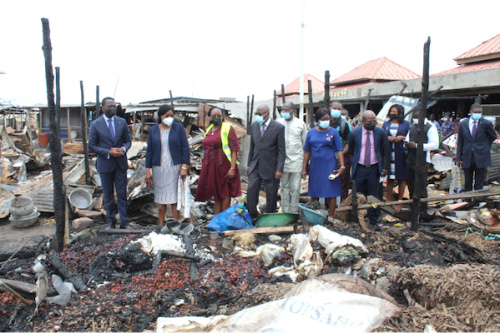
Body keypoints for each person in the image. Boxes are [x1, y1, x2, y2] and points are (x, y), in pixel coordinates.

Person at [89, 97, 132, 229]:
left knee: (121, 194)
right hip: (105, 164)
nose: (112, 108)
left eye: (114, 106)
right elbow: (92, 145)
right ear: (103, 108)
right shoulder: (95, 124)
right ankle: (111, 222)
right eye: (109, 106)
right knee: (108, 195)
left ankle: (124, 222)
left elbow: (128, 141)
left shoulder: (122, 122)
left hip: (120, 164)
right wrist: (108, 152)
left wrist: (123, 149)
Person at [145, 105, 190, 225]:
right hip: (158, 168)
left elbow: (185, 148)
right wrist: (147, 170)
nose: (170, 118)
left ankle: (175, 224)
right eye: (167, 115)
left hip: (174, 167)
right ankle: (161, 224)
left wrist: (184, 167)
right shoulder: (153, 130)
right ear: (161, 116)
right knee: (160, 200)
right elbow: (149, 151)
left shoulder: (178, 128)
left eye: (172, 115)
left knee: (174, 199)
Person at [195, 107, 241, 215]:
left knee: (225, 192)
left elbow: (234, 149)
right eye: (214, 116)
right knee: (216, 192)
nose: (217, 118)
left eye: (219, 116)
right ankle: (217, 217)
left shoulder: (227, 128)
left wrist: (232, 168)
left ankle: (223, 219)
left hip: (224, 165)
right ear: (210, 117)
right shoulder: (209, 128)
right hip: (210, 166)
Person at [348, 110, 389, 230]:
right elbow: (351, 149)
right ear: (363, 121)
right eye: (369, 122)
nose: (372, 124)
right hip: (360, 168)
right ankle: (358, 219)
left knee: (374, 195)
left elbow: (385, 151)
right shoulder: (355, 133)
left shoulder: (380, 133)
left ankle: (373, 220)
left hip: (374, 168)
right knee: (359, 195)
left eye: (373, 121)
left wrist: (385, 167)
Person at [302, 108, 345, 221]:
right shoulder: (311, 133)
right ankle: (314, 215)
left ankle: (331, 216)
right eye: (323, 119)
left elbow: (339, 149)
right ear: (317, 120)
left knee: (331, 190)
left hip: (330, 164)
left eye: (327, 119)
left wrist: (342, 166)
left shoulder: (333, 132)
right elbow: (307, 151)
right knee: (314, 189)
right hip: (315, 165)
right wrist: (304, 168)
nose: (326, 121)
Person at [247, 105, 286, 220]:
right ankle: (253, 216)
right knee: (251, 190)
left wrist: (279, 169)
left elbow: (281, 150)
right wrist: (249, 164)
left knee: (271, 194)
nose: (258, 116)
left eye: (260, 114)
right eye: (257, 114)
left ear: (267, 114)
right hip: (255, 164)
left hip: (271, 166)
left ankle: (269, 217)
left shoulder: (278, 127)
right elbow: (252, 147)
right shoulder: (254, 125)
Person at [404, 108, 439, 212]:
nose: (414, 120)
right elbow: (407, 138)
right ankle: (413, 207)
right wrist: (407, 144)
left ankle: (423, 209)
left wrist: (418, 146)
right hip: (410, 159)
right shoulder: (413, 126)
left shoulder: (430, 127)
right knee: (411, 185)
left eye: (416, 118)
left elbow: (434, 144)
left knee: (421, 186)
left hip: (422, 161)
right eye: (413, 118)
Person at [456, 103, 496, 193]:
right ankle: (467, 201)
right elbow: (460, 142)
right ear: (471, 112)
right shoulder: (463, 124)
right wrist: (459, 157)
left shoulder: (486, 123)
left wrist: (485, 145)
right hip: (467, 156)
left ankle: (478, 201)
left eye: (479, 112)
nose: (477, 114)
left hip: (481, 156)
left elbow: (493, 136)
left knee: (479, 182)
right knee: (467, 182)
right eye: (475, 112)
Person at [277, 102, 307, 214]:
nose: (284, 112)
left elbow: (305, 144)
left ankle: (294, 212)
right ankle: (285, 211)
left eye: (286, 110)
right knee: (284, 188)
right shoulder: (278, 123)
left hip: (297, 161)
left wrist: (304, 165)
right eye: (282, 110)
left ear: (292, 111)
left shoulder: (300, 124)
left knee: (295, 188)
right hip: (282, 162)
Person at [382, 104, 410, 212]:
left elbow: (410, 136)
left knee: (402, 177)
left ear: (400, 113)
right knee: (390, 177)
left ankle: (400, 201)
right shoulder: (386, 124)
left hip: (401, 152)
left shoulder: (406, 124)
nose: (392, 113)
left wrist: (402, 137)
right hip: (389, 152)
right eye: (391, 111)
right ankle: (389, 200)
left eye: (395, 111)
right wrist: (387, 138)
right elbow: (381, 135)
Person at [329, 101, 351, 201]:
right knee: (329, 181)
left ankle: (342, 206)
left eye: (339, 109)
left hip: (343, 157)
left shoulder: (345, 124)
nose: (336, 110)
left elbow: (349, 143)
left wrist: (340, 155)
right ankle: (328, 205)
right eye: (335, 108)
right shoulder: (326, 122)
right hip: (328, 158)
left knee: (343, 182)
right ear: (330, 108)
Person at [442, 120, 464, 195]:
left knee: (465, 180)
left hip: (466, 160)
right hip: (456, 160)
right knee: (456, 179)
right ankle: (455, 197)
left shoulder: (467, 136)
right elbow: (444, 144)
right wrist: (451, 154)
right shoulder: (455, 136)